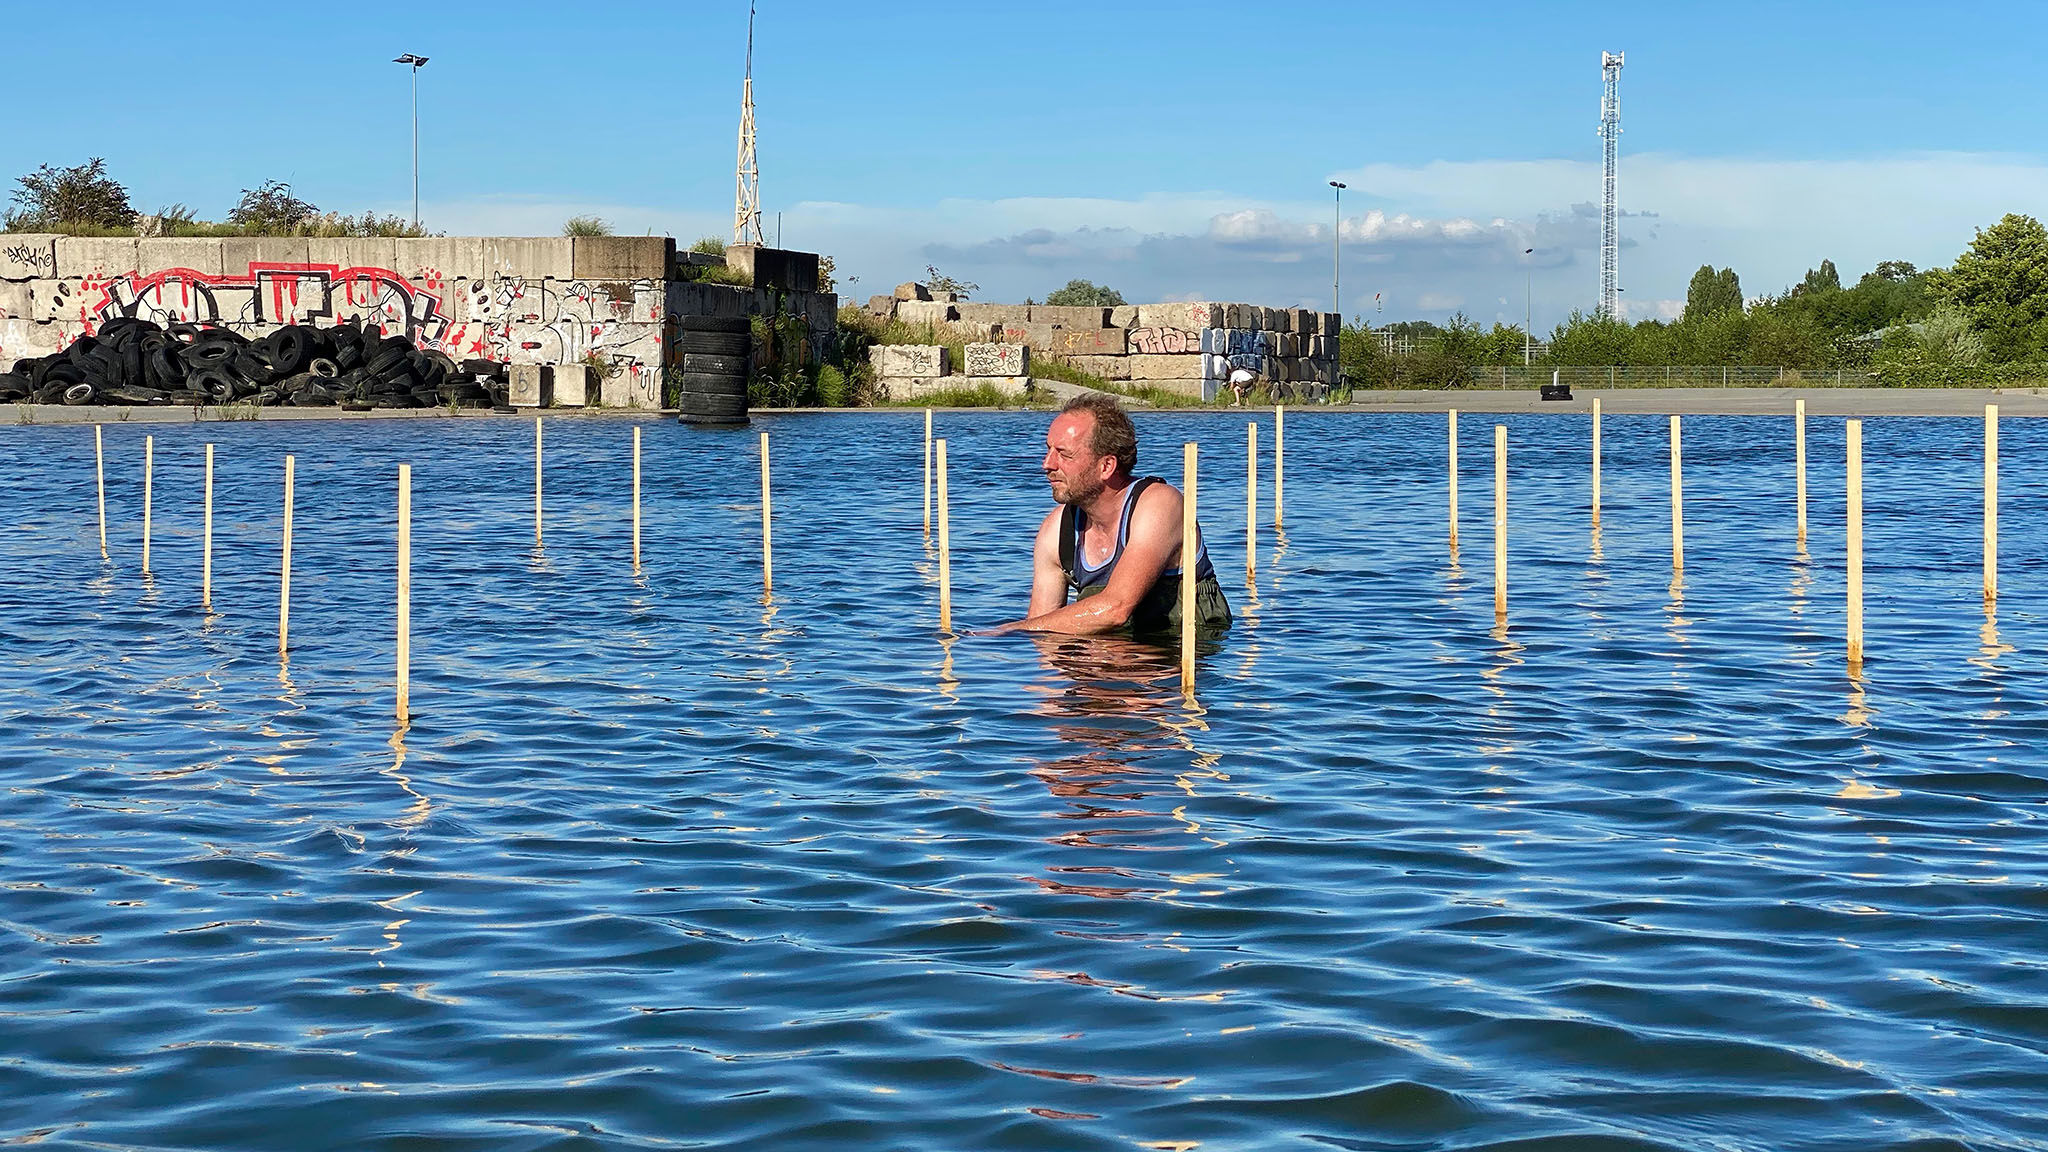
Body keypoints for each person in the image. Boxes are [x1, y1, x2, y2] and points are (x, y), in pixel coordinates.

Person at [992, 394, 1231, 637]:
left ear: (1106, 466)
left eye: (1064, 454)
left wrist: (1004, 631)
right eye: (1048, 450)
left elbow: (1116, 608)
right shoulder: (1056, 532)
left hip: (1180, 652)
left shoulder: (1159, 505)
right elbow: (1039, 629)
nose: (1047, 464)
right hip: (1108, 655)